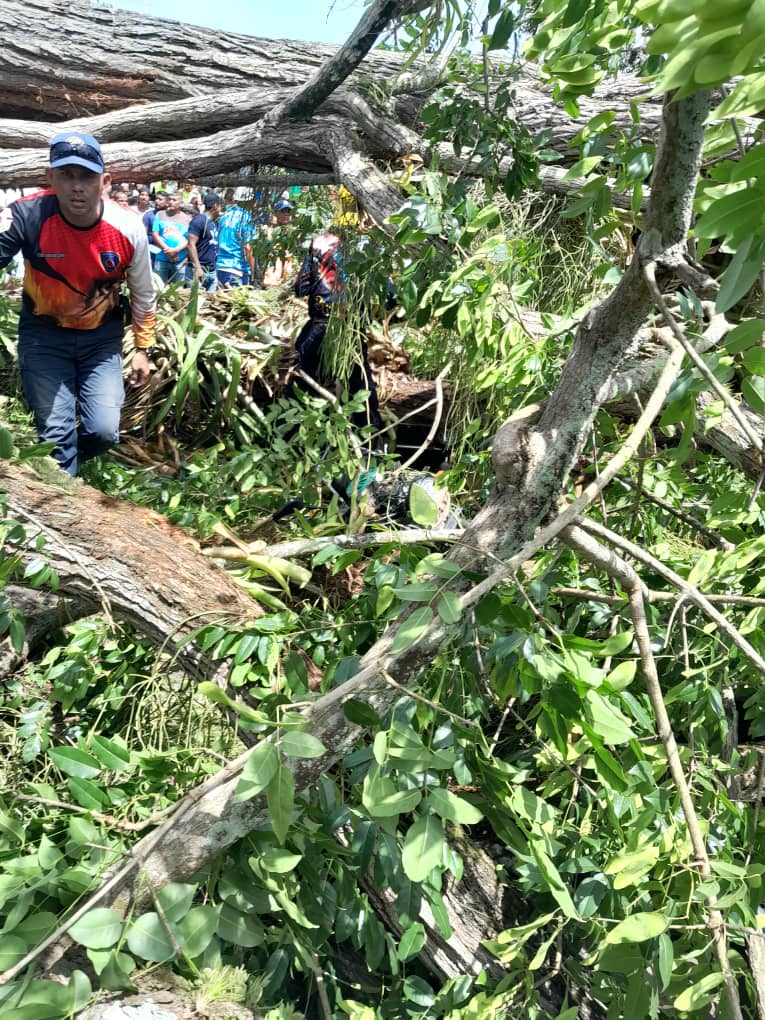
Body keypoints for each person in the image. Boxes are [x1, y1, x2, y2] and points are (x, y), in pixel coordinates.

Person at [0, 131, 156, 475]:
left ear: (105, 181)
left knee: (103, 431)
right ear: (49, 178)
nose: (76, 186)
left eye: (86, 176)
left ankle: (62, 462)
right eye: (66, 175)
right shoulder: (26, 215)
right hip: (43, 338)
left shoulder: (128, 227)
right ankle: (63, 498)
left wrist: (144, 349)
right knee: (56, 436)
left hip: (100, 342)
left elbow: (143, 292)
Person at [289, 226, 381, 428]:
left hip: (320, 324)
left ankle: (288, 433)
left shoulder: (318, 242)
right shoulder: (369, 243)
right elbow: (386, 294)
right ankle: (371, 438)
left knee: (301, 380)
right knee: (361, 384)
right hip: (350, 329)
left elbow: (300, 287)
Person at [215, 188, 255, 288]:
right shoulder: (246, 218)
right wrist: (253, 271)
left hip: (220, 266)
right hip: (236, 268)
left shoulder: (224, 216)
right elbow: (247, 247)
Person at [152, 190, 191, 285]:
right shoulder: (160, 215)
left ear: (181, 203)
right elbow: (155, 234)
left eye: (174, 200)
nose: (171, 202)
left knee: (177, 291)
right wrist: (168, 251)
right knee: (159, 288)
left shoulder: (187, 219)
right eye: (169, 199)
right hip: (162, 257)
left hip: (179, 259)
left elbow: (189, 239)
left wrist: (176, 251)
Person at [186, 191, 222, 291]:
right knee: (195, 304)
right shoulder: (199, 220)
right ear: (215, 206)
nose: (221, 209)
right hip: (198, 270)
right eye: (220, 206)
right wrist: (197, 268)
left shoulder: (213, 223)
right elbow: (190, 244)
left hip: (211, 271)